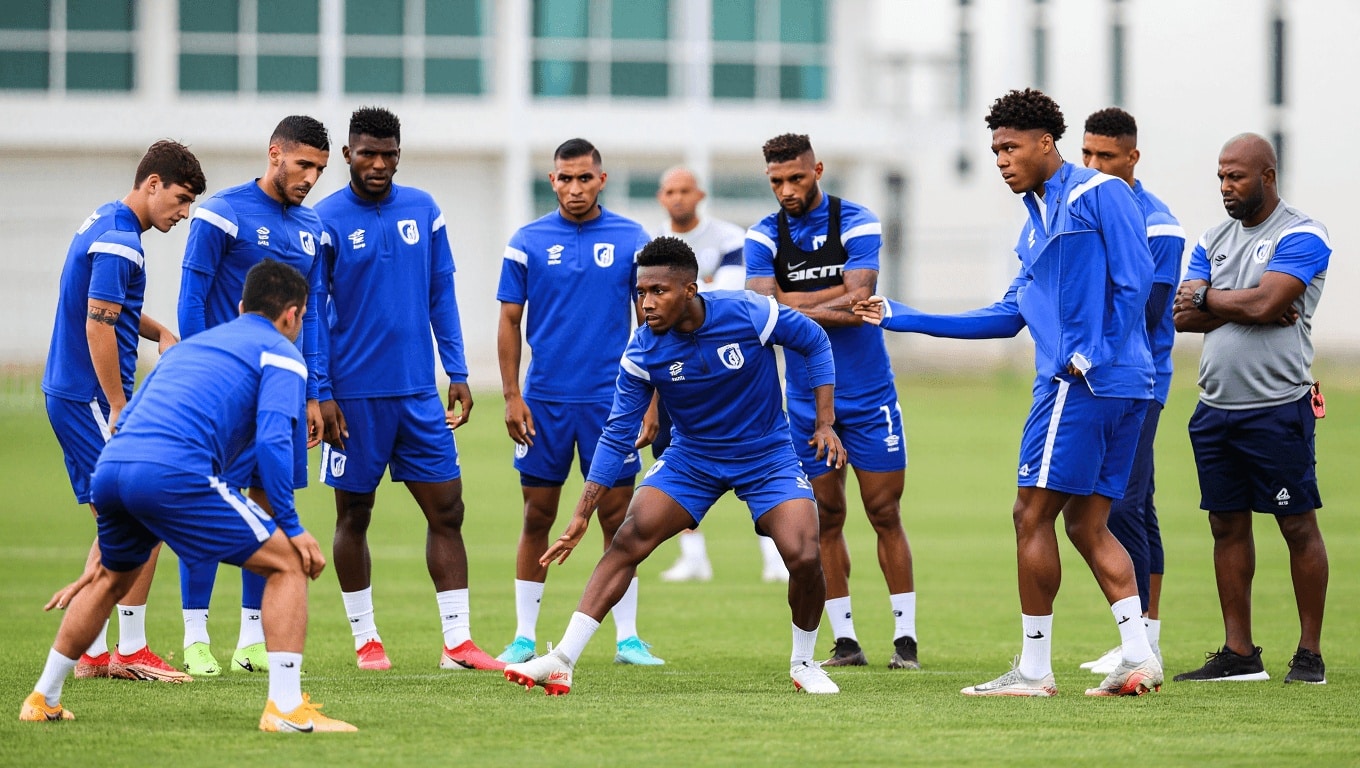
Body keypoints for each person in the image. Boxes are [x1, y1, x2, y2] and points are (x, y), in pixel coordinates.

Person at [855, 88, 1163, 697]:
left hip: (1084, 384)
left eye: (1010, 147)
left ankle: (1034, 670)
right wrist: (902, 315)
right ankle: (1137, 656)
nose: (1001, 160)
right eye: (995, 150)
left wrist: (1092, 354)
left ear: (1046, 143)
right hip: (1114, 385)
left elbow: (1138, 280)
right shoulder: (1033, 224)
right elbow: (1006, 315)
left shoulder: (1099, 193)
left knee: (1030, 514)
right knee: (1087, 524)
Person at [22, 260, 356, 732]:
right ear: (293, 316)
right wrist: (291, 525)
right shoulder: (282, 353)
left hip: (113, 467)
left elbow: (129, 418)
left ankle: (43, 698)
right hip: (173, 472)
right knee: (288, 563)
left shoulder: (190, 347)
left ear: (240, 307)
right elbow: (273, 441)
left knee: (110, 580)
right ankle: (284, 707)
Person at [502, 237, 845, 696]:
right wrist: (582, 514)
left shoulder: (749, 312)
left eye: (658, 291)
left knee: (803, 555)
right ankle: (562, 659)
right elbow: (616, 434)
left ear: (689, 290)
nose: (646, 303)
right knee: (628, 538)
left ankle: (804, 663)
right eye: (641, 292)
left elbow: (815, 340)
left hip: (766, 455)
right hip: (692, 459)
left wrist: (825, 423)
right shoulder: (642, 351)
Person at [313, 106, 501, 672]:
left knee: (448, 510)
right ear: (347, 155)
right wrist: (321, 389)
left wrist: (458, 371)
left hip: (419, 393)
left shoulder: (424, 209)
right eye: (366, 153)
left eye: (388, 154)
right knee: (355, 514)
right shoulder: (323, 220)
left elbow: (441, 293)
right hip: (353, 397)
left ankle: (457, 643)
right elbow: (313, 313)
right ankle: (366, 640)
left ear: (399, 154)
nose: (378, 164)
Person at [745, 134, 918, 670]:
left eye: (796, 178)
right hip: (804, 401)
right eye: (776, 181)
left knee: (884, 511)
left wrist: (789, 305)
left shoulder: (858, 221)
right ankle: (845, 642)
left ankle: (905, 640)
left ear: (817, 170)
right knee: (825, 517)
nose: (786, 190)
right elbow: (759, 313)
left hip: (869, 396)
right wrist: (834, 302)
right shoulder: (763, 234)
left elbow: (861, 301)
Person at [39, 139, 205, 684]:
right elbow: (98, 324)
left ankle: (92, 653)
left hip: (71, 393)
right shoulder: (120, 241)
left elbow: (110, 307)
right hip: (89, 397)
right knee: (143, 513)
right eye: (181, 199)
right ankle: (129, 650)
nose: (184, 213)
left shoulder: (107, 222)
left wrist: (158, 332)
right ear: (152, 184)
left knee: (117, 518)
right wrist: (117, 402)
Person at [495, 138, 662, 666]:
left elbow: (652, 323)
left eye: (584, 178)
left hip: (612, 404)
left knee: (619, 520)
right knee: (537, 515)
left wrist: (653, 401)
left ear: (601, 180)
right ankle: (524, 636)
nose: (574, 188)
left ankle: (627, 638)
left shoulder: (632, 239)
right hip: (543, 403)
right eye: (565, 178)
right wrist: (511, 395)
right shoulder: (527, 241)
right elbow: (509, 321)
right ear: (552, 181)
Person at [1171, 133, 1330, 685]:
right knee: (1226, 526)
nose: (1225, 186)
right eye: (1220, 176)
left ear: (1267, 176)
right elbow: (1182, 316)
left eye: (1235, 176)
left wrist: (1217, 298)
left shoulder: (1302, 233)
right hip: (1215, 409)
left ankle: (1309, 654)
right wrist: (1248, 302)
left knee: (1296, 525)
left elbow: (1266, 302)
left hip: (1277, 407)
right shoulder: (1211, 238)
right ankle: (1240, 653)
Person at [175, 115, 330, 677]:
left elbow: (312, 317)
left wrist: (312, 392)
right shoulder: (223, 212)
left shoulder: (313, 227)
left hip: (282, 391)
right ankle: (195, 636)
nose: (310, 177)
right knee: (206, 505)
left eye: (319, 169)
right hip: (224, 390)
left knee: (266, 507)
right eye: (303, 164)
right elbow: (191, 298)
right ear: (275, 154)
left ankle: (250, 640)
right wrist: (201, 374)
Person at [1076, 107, 1185, 675]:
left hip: (1140, 381)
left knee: (1123, 504)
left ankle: (1137, 643)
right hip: (1098, 379)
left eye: (1107, 156)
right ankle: (1147, 637)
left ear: (1133, 157)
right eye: (1087, 154)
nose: (1094, 165)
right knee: (1137, 504)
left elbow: (1146, 311)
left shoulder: (1157, 224)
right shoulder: (1081, 206)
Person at [651, 166, 788, 584]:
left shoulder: (729, 237)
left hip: (734, 368)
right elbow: (656, 303)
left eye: (685, 190)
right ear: (661, 197)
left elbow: (727, 296)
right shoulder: (651, 245)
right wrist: (696, 288)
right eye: (670, 191)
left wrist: (685, 295)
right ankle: (693, 556)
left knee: (758, 457)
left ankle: (775, 555)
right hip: (676, 368)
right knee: (672, 456)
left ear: (700, 194)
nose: (678, 197)